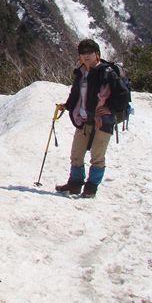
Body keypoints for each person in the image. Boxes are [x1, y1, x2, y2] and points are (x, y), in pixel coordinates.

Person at [55, 39, 118, 198]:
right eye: (83, 54)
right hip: (83, 120)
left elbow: (122, 96)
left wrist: (109, 108)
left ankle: (91, 188)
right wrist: (67, 105)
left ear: (97, 54)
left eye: (89, 53)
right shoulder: (82, 72)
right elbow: (76, 94)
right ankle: (75, 184)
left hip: (102, 122)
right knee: (76, 154)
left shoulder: (107, 72)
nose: (86, 56)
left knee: (97, 156)